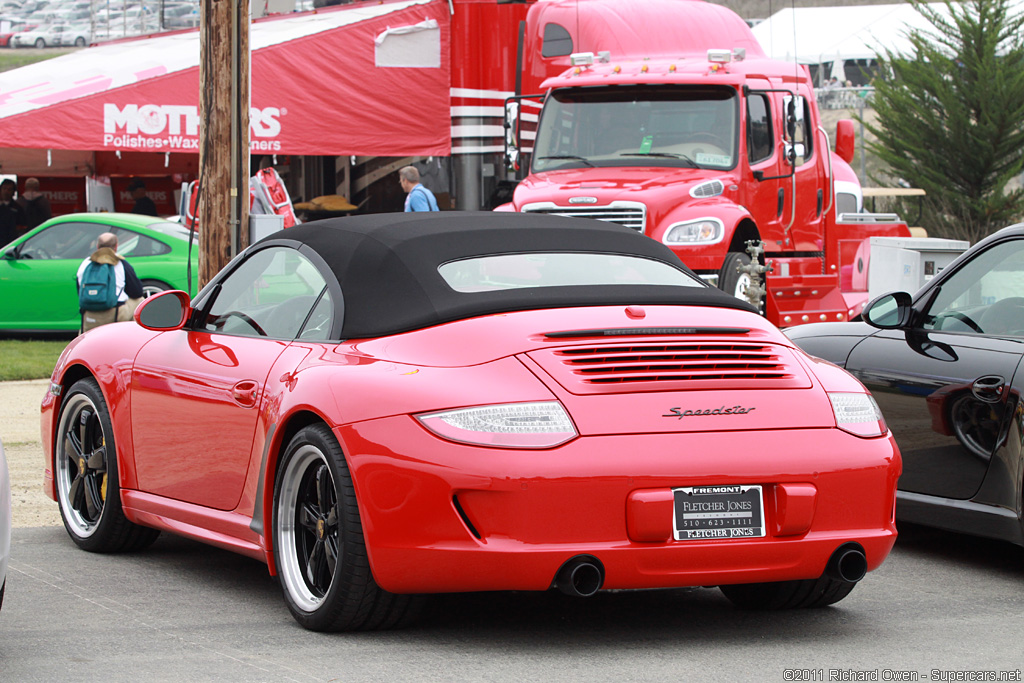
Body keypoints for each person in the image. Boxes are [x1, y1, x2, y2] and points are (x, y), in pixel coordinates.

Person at [76, 232, 145, 333]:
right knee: (140, 301)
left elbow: (80, 291)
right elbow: (137, 291)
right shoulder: (121, 264)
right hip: (115, 315)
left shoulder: (86, 263)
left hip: (89, 315)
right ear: (116, 247)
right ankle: (133, 335)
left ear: (97, 246)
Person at [0, 178, 26, 245]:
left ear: (13, 192)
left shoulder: (17, 208)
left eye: (9, 189)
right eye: (4, 189)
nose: (6, 191)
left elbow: (22, 226)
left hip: (11, 243)